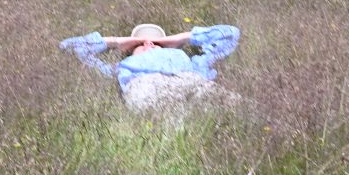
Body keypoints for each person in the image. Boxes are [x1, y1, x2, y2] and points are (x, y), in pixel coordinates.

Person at [58, 22, 241, 112]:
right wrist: (117, 42)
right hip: (146, 88)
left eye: (154, 43)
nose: (149, 44)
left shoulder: (194, 63)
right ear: (130, 50)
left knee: (241, 108)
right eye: (141, 43)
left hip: (191, 82)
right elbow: (70, 47)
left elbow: (231, 34)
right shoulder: (122, 68)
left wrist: (180, 39)